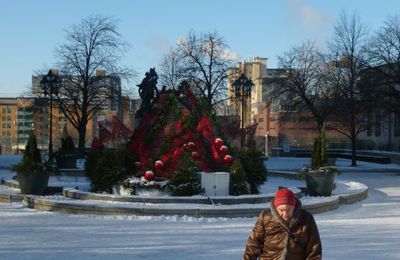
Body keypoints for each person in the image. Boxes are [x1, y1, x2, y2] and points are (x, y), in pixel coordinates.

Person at [243, 188, 322, 260]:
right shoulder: (265, 218)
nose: (285, 214)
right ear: (275, 208)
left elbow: (314, 250)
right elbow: (253, 245)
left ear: (294, 207)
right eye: (281, 210)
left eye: (289, 209)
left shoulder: (306, 218)